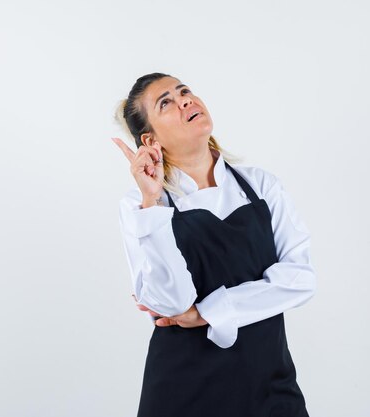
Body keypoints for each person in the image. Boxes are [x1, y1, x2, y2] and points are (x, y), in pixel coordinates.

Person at [111, 72, 317, 417]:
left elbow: (300, 280)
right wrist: (152, 202)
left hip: (270, 387)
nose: (186, 101)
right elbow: (171, 302)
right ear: (150, 139)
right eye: (167, 103)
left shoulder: (261, 186)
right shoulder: (141, 206)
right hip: (183, 393)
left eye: (185, 91)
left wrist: (209, 311)